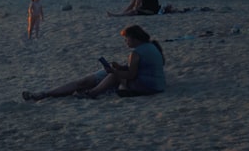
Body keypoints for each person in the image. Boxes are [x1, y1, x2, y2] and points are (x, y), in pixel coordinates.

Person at [22, 25, 166, 101]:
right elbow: (146, 68)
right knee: (92, 78)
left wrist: (115, 72)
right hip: (156, 85)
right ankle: (46, 94)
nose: (125, 42)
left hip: (146, 87)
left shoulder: (136, 52)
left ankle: (91, 93)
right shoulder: (152, 46)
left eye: (126, 39)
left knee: (105, 77)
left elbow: (131, 75)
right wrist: (120, 67)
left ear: (134, 38)